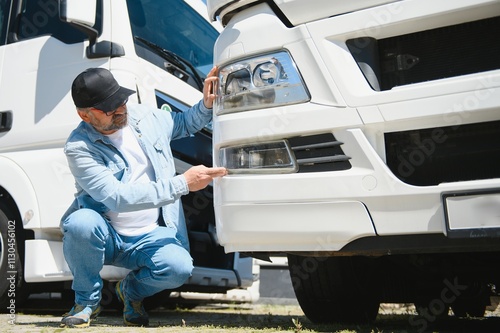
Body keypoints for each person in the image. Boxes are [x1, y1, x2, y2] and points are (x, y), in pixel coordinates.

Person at [59, 67, 227, 328]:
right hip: (108, 236)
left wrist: (206, 104)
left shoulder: (144, 117)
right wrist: (182, 183)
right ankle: (86, 302)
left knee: (179, 268)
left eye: (121, 100)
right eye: (109, 108)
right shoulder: (79, 147)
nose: (120, 109)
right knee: (80, 223)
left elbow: (183, 123)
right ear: (85, 115)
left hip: (151, 234)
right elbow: (117, 197)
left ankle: (131, 292)